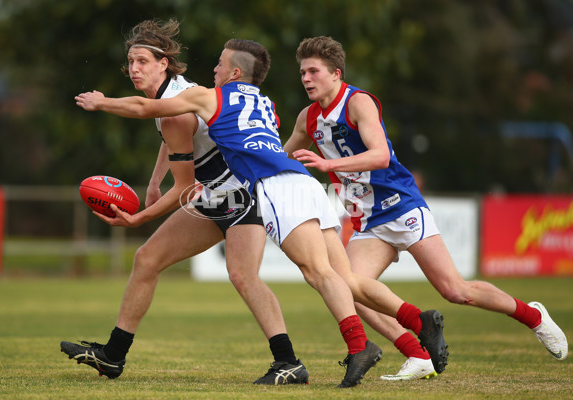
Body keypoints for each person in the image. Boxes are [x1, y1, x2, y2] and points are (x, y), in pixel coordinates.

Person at [74, 38, 449, 388]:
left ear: (233, 72)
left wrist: (101, 102)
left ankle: (356, 347)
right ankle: (417, 326)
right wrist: (156, 179)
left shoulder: (205, 97)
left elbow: (151, 114)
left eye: (220, 65)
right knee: (337, 277)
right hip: (297, 183)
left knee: (314, 273)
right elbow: (176, 136)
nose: (215, 71)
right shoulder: (260, 99)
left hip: (264, 188)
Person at [284, 35, 568, 380]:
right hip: (368, 221)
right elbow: (282, 158)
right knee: (350, 290)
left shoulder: (358, 103)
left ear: (336, 74)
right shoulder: (307, 119)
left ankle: (533, 316)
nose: (306, 79)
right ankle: (417, 355)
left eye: (313, 71)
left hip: (400, 206)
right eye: (302, 73)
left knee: (455, 291)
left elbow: (381, 155)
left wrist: (329, 167)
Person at [60, 19, 309, 386]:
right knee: (147, 259)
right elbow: (170, 137)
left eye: (142, 61)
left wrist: (139, 218)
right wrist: (153, 182)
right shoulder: (176, 95)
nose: (133, 69)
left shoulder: (176, 106)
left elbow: (184, 187)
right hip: (217, 195)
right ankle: (113, 356)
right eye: (130, 61)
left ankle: (289, 362)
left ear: (163, 64)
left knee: (243, 276)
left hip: (239, 196)